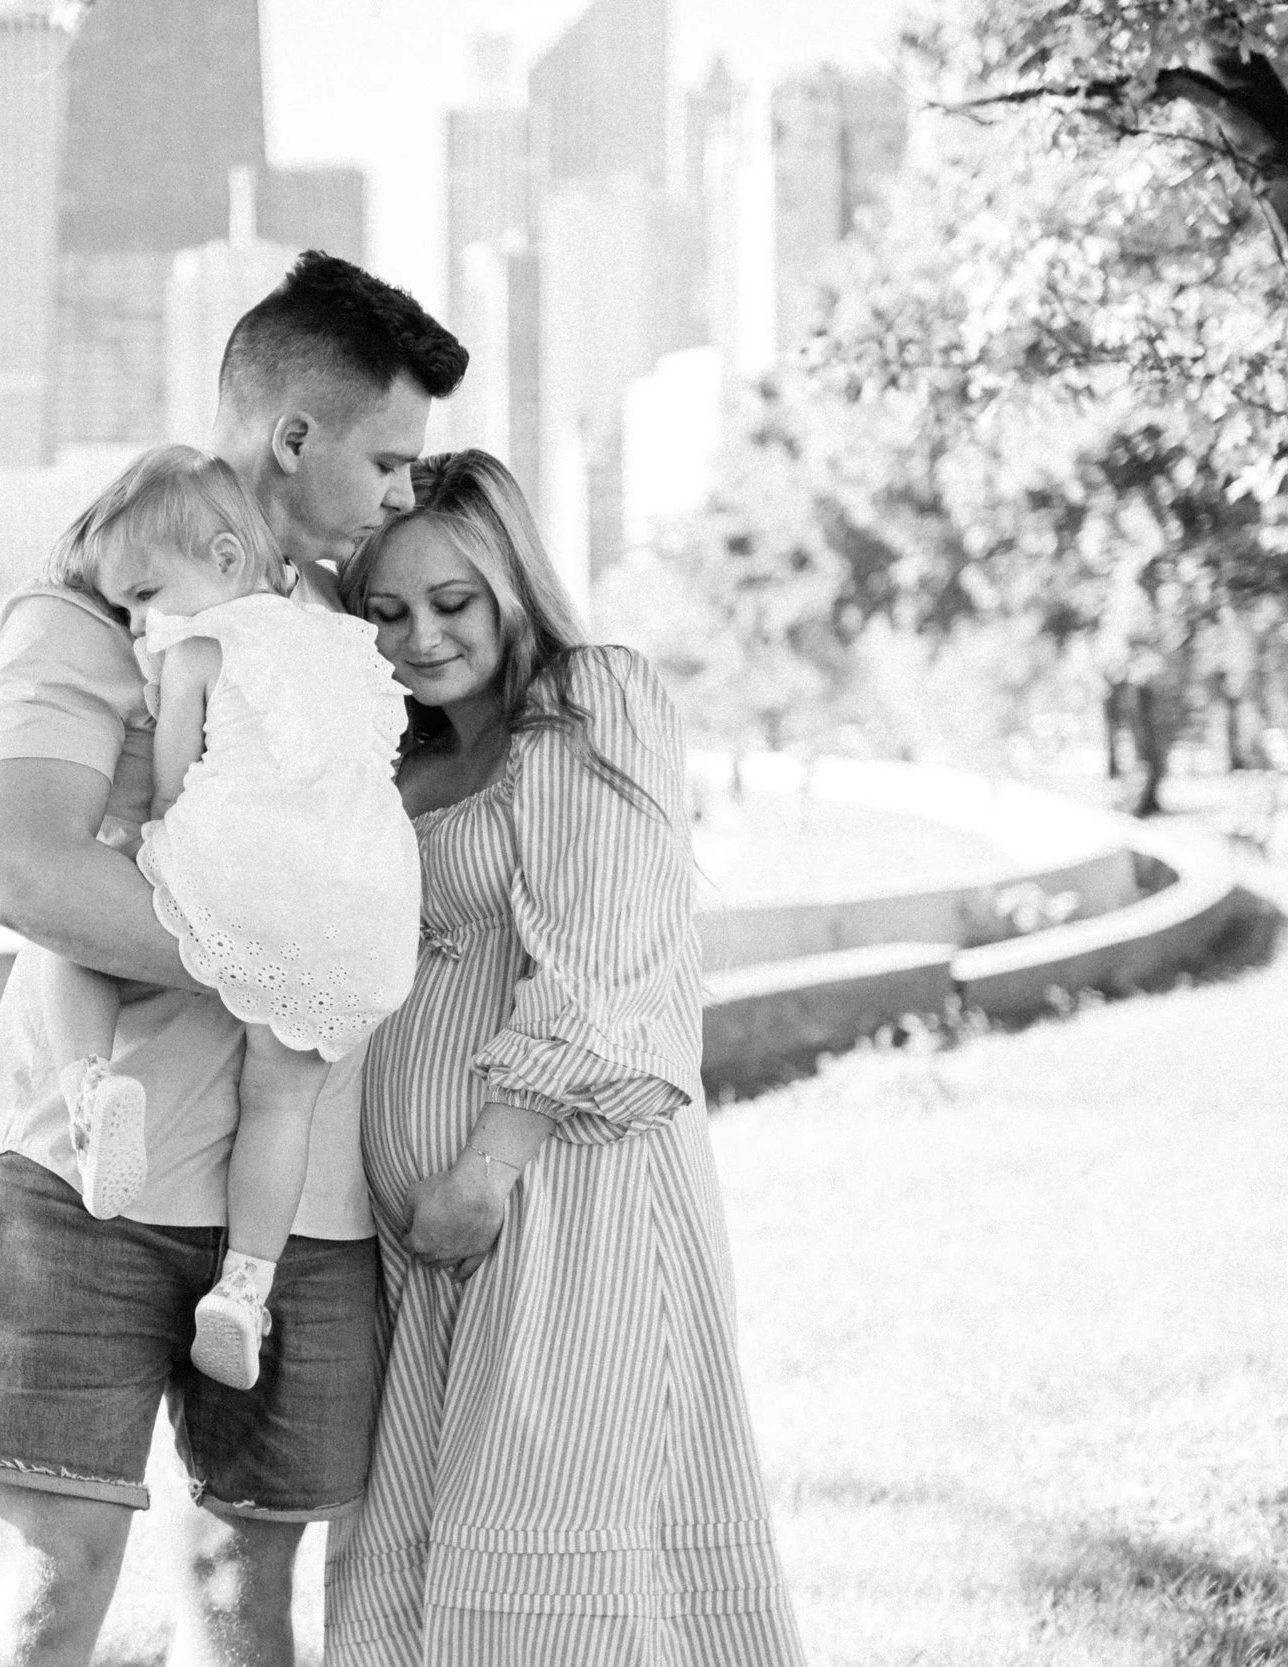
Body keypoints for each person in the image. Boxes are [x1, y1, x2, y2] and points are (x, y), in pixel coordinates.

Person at [0, 251, 465, 1667]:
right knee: (52, 1585)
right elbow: (28, 867)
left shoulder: (365, 634)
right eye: (390, 460)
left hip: (307, 1206)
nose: (403, 493)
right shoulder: (92, 608)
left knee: (245, 1591)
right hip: (83, 1175)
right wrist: (292, 958)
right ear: (296, 438)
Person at [328, 451, 806, 1666]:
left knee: (562, 1541)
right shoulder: (399, 762)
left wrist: (484, 1167)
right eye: (384, 612)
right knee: (442, 1559)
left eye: (452, 602)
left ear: (512, 586)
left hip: (560, 1194)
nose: (419, 637)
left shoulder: (593, 701)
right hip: (421, 1241)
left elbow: (605, 961)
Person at [29, 442, 421, 1390]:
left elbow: (170, 791)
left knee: (78, 907)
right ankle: (245, 1289)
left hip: (251, 863)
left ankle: (90, 1091)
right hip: (365, 902)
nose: (134, 622)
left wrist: (144, 834)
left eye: (142, 595)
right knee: (282, 1098)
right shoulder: (347, 640)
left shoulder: (197, 649)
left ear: (225, 559)